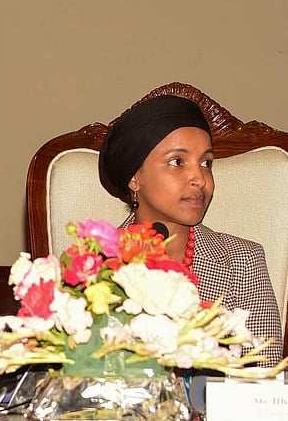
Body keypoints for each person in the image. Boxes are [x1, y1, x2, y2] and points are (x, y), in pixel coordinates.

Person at [98, 93, 283, 366]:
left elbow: (263, 374)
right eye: (177, 162)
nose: (199, 179)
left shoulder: (242, 261)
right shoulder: (93, 263)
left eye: (206, 163)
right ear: (134, 177)